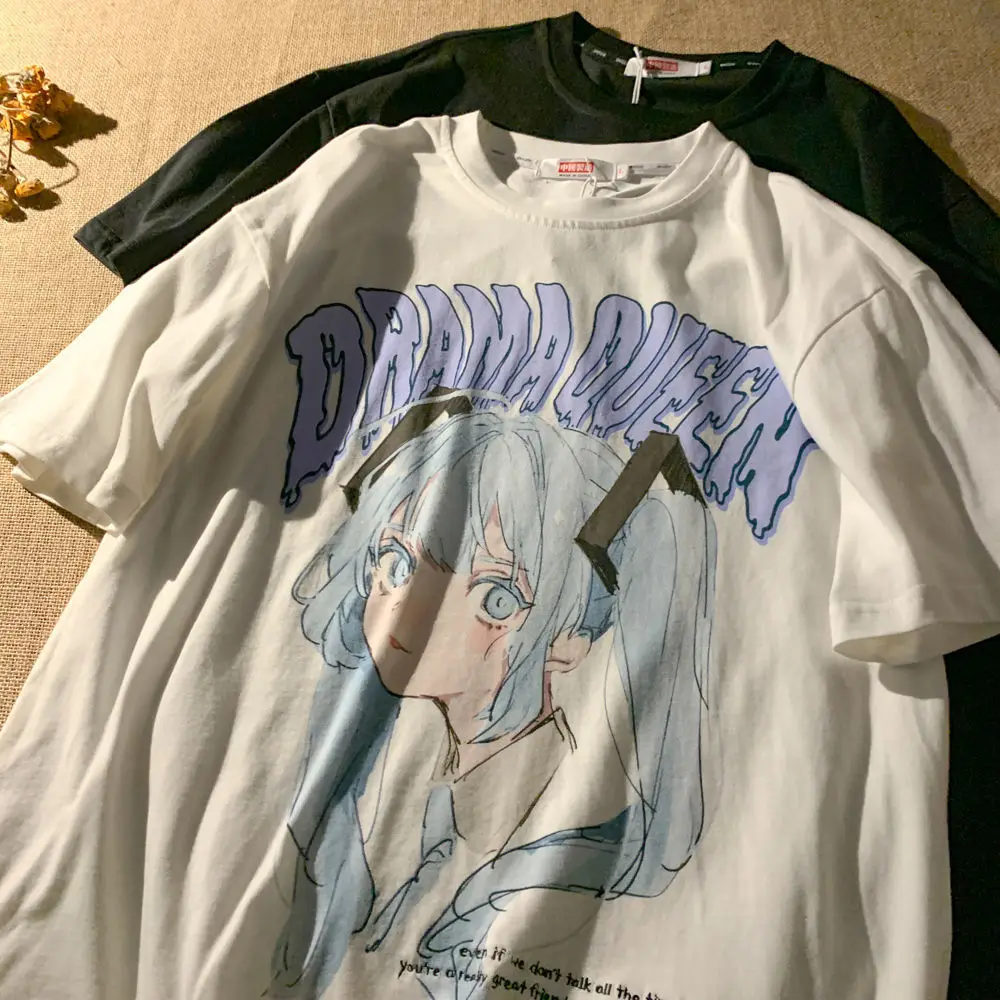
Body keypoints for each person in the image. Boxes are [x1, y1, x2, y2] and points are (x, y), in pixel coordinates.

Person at [269, 405, 717, 999]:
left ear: (571, 638)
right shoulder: (382, 779)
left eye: (494, 597)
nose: (408, 608)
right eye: (397, 561)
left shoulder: (567, 853)